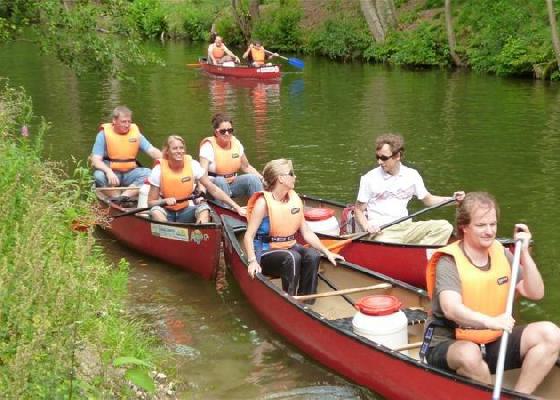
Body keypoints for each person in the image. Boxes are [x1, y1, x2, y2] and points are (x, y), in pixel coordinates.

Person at [423, 192, 560, 395]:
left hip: (493, 340)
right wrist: (491, 321)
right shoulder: (448, 261)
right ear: (464, 227)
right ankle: (486, 392)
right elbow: (451, 309)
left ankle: (519, 396)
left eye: (493, 224)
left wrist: (523, 254)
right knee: (469, 354)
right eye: (481, 225)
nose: (489, 231)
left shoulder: (501, 253)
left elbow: (536, 292)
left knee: (551, 334)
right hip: (449, 343)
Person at [243, 159, 344, 297]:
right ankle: (289, 299)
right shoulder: (263, 203)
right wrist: (252, 261)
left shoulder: (293, 199)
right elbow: (248, 235)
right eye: (291, 173)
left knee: (313, 255)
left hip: (288, 247)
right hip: (265, 252)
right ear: (281, 179)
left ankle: (306, 299)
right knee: (292, 257)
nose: (295, 176)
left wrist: (327, 252)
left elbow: (306, 232)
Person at [353, 133, 465, 245]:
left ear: (397, 156)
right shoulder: (369, 178)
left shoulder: (412, 175)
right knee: (386, 242)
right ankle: (416, 253)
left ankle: (421, 254)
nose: (379, 162)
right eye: (377, 157)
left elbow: (429, 200)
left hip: (407, 227)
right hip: (383, 232)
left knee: (444, 227)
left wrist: (453, 200)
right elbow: (358, 210)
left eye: (384, 158)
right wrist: (367, 227)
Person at [148, 135, 245, 223]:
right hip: (166, 211)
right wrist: (164, 201)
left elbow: (213, 189)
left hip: (185, 212)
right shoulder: (158, 170)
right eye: (175, 148)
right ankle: (168, 233)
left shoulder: (192, 165)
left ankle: (199, 235)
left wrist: (235, 206)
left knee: (204, 209)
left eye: (181, 148)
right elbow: (151, 203)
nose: (179, 151)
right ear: (167, 151)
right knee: (156, 211)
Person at [91, 106, 162, 199]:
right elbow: (96, 160)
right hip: (112, 174)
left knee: (149, 173)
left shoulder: (135, 134)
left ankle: (125, 196)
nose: (127, 125)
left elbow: (152, 151)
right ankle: (115, 195)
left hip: (130, 173)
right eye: (123, 122)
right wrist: (108, 171)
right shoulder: (103, 135)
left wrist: (167, 158)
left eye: (129, 122)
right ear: (114, 121)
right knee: (98, 176)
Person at [199, 113, 263, 205]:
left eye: (230, 130)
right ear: (216, 132)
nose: (227, 134)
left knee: (252, 179)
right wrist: (202, 195)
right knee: (220, 180)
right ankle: (227, 212)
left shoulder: (236, 143)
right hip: (214, 187)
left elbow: (246, 167)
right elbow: (202, 176)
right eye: (223, 131)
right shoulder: (208, 147)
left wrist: (262, 179)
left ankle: (260, 210)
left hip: (233, 184)